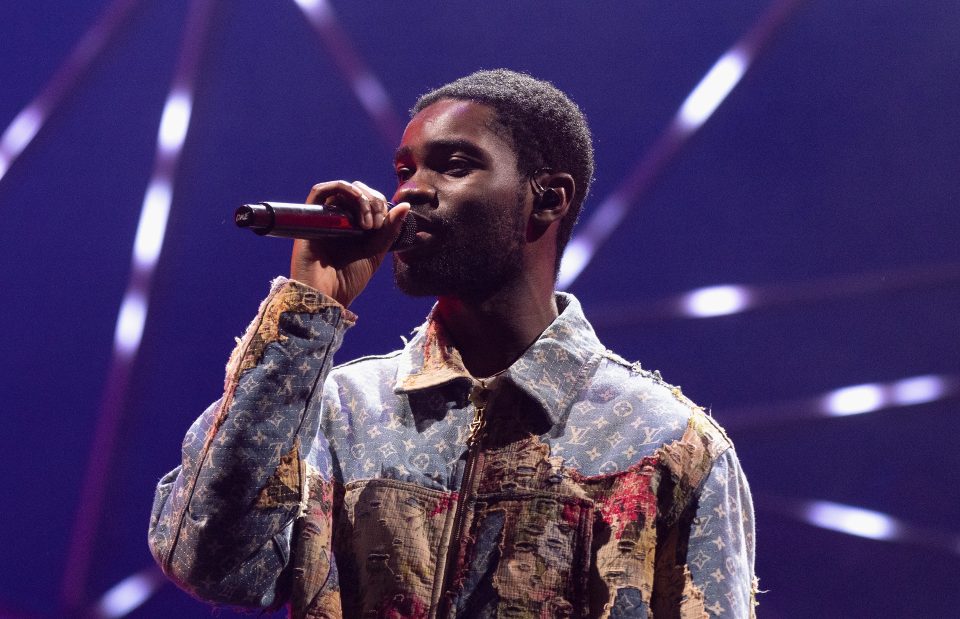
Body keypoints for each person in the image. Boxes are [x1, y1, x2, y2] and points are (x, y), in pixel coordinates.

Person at [149, 69, 757, 618]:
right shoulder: (338, 412)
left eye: (454, 165)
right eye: (404, 171)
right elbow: (208, 563)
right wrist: (309, 311)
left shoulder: (665, 443)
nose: (410, 192)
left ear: (548, 198)